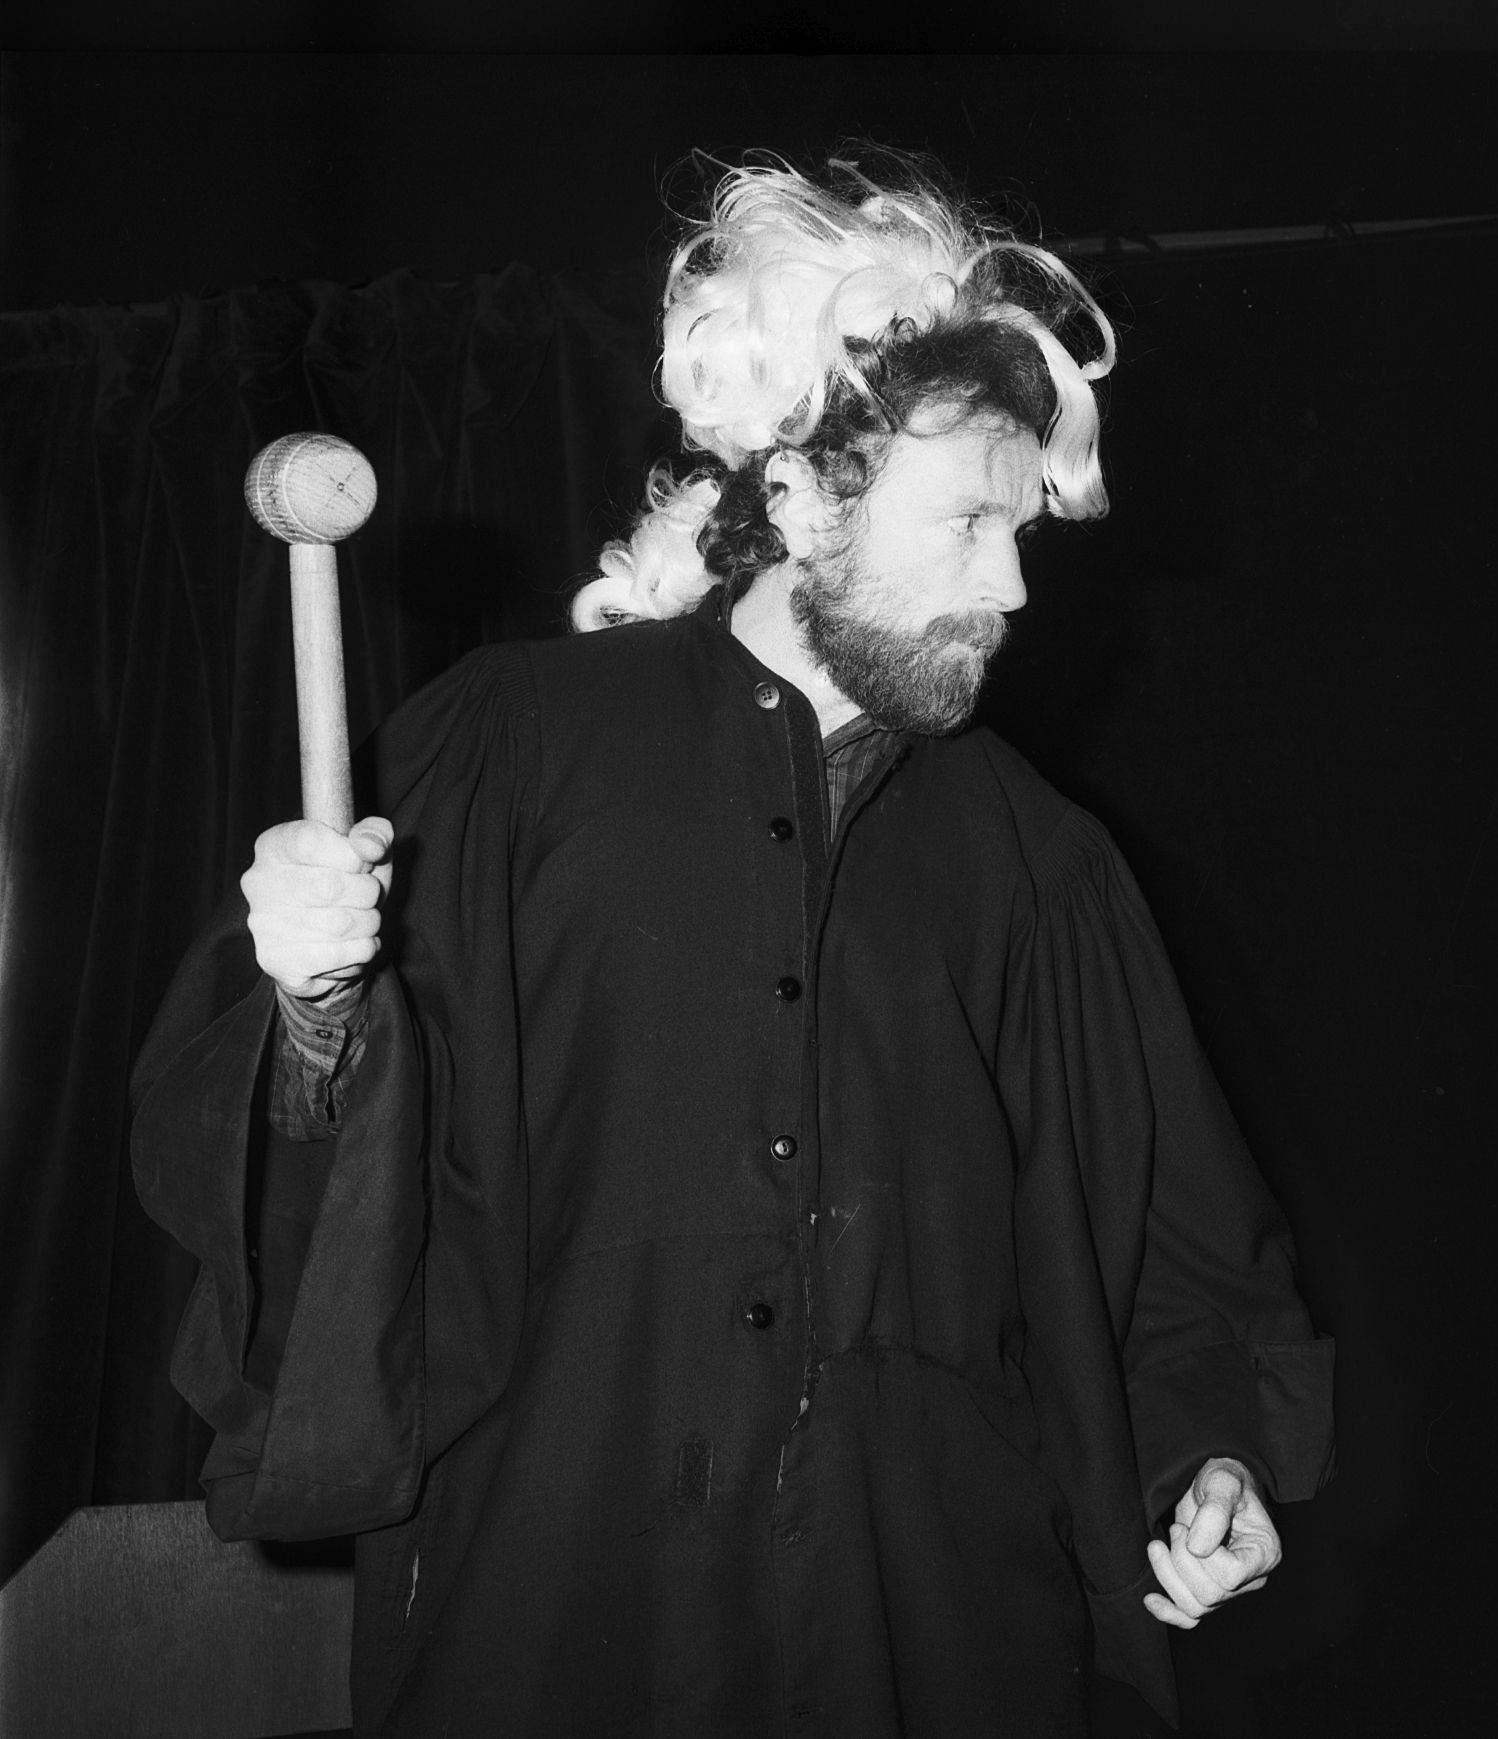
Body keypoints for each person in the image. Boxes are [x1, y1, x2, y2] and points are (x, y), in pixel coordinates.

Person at [133, 149, 1335, 1737]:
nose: (1011, 583)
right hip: (558, 1621)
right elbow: (325, 1208)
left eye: (1024, 528)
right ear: (805, 495)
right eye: (970, 521)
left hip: (937, 1644)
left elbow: (1169, 1250)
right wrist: (310, 1004)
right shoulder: (511, 751)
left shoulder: (1043, 867)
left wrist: (1209, 1461)